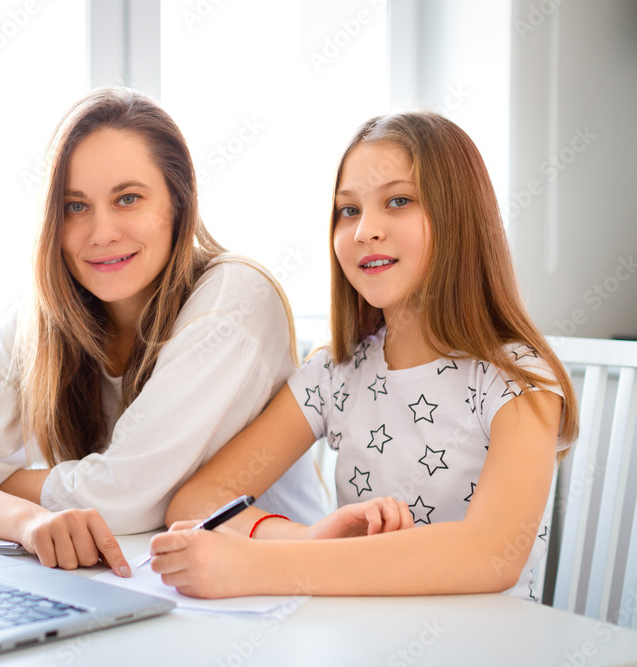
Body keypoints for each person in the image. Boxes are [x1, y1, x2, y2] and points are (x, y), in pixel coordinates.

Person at [151, 111, 579, 602]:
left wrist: (263, 566)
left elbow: (491, 554)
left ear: (461, 217)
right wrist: (303, 537)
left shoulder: (517, 380)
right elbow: (199, 498)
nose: (364, 230)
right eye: (348, 210)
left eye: (398, 201)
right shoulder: (334, 373)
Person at [0, 88, 325, 579]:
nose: (101, 232)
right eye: (75, 207)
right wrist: (24, 521)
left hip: (277, 593)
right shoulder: (39, 318)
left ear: (179, 202)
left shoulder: (234, 297)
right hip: (137, 584)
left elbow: (125, 497)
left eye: (128, 199)